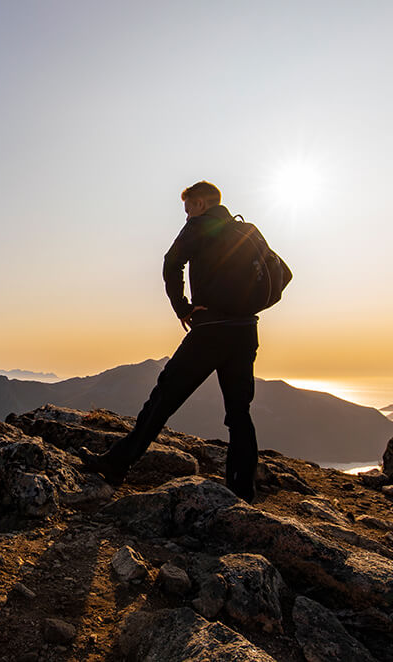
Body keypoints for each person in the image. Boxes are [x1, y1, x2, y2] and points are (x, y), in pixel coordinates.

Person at [80, 180, 274, 503]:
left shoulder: (199, 226)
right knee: (239, 412)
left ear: (200, 204)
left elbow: (171, 264)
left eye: (188, 208)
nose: (186, 215)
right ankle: (242, 491)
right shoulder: (249, 231)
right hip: (245, 331)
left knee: (163, 397)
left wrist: (182, 308)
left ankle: (116, 464)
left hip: (211, 330)